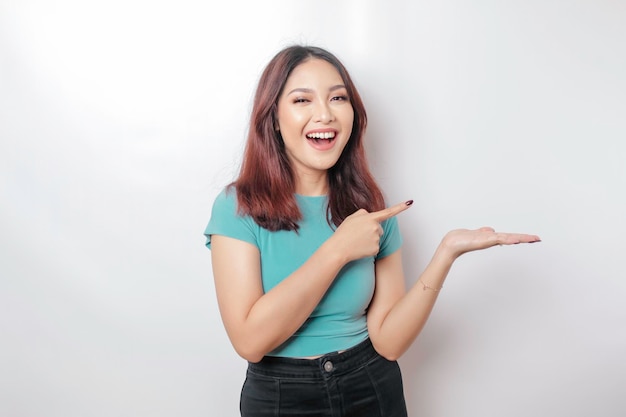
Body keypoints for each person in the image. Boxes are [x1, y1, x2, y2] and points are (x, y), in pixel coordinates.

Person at [204, 45, 540, 417]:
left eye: (338, 98)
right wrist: (337, 250)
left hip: (371, 384)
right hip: (281, 395)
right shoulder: (238, 207)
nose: (325, 114)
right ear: (275, 118)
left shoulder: (372, 209)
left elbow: (389, 342)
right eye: (302, 99)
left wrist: (447, 252)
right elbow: (249, 341)